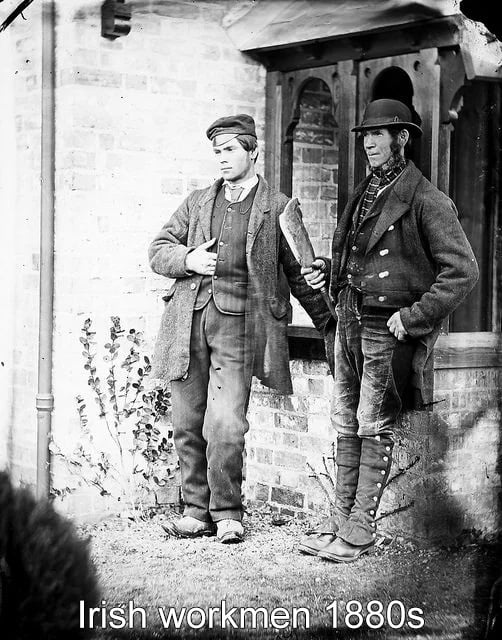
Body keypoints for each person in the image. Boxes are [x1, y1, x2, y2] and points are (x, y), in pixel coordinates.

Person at [298, 98, 479, 562]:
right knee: (345, 420)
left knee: (373, 422)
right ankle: (340, 521)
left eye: (379, 134)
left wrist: (414, 316)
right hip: (348, 318)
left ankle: (360, 530)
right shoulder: (364, 193)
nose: (369, 143)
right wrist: (327, 269)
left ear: (402, 138)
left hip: (386, 327)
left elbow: (462, 271)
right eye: (366, 135)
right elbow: (357, 260)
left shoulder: (426, 199)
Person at [149, 114, 331, 544]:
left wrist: (329, 323)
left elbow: (300, 273)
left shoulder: (277, 207)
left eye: (230, 149)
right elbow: (158, 250)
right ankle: (196, 512)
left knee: (227, 423)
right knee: (186, 422)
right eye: (217, 151)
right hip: (188, 323)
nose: (222, 158)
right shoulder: (197, 202)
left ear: (253, 151)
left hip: (238, 329)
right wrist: (189, 259)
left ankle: (228, 512)